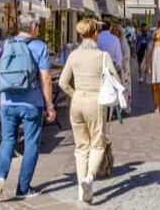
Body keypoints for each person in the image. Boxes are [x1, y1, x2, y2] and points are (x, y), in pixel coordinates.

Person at [0, 13, 55, 202]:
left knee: (7, 140)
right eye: (38, 26)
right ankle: (23, 188)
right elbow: (46, 78)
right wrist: (50, 105)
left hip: (7, 102)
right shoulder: (39, 46)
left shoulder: (4, 44)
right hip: (31, 104)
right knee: (31, 144)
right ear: (33, 28)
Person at [58, 18, 117, 205]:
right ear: (95, 34)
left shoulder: (73, 55)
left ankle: (79, 188)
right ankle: (90, 178)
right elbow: (115, 79)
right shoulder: (102, 56)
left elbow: (62, 82)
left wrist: (74, 93)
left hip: (77, 102)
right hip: (95, 101)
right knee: (97, 144)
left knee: (81, 147)